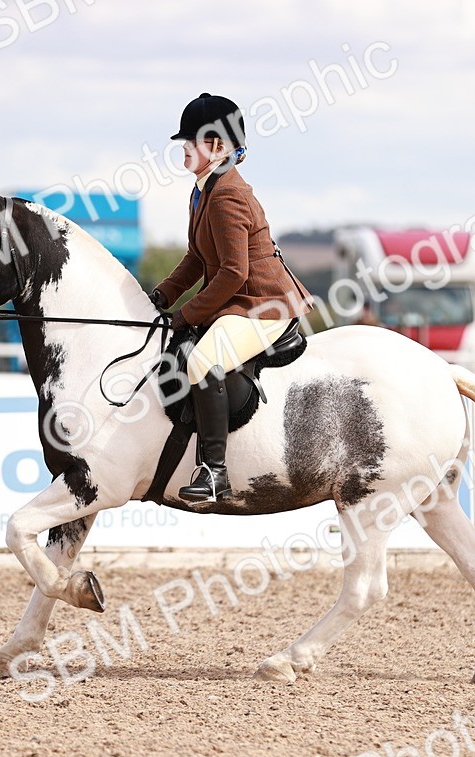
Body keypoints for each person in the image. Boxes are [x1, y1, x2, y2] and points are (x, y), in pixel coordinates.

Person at [150, 92, 314, 503]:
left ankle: (214, 473)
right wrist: (163, 294)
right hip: (239, 300)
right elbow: (197, 256)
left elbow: (234, 272)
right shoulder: (204, 189)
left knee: (204, 361)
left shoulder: (227, 195)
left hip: (263, 305)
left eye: (193, 141)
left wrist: (187, 313)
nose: (184, 148)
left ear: (219, 146)